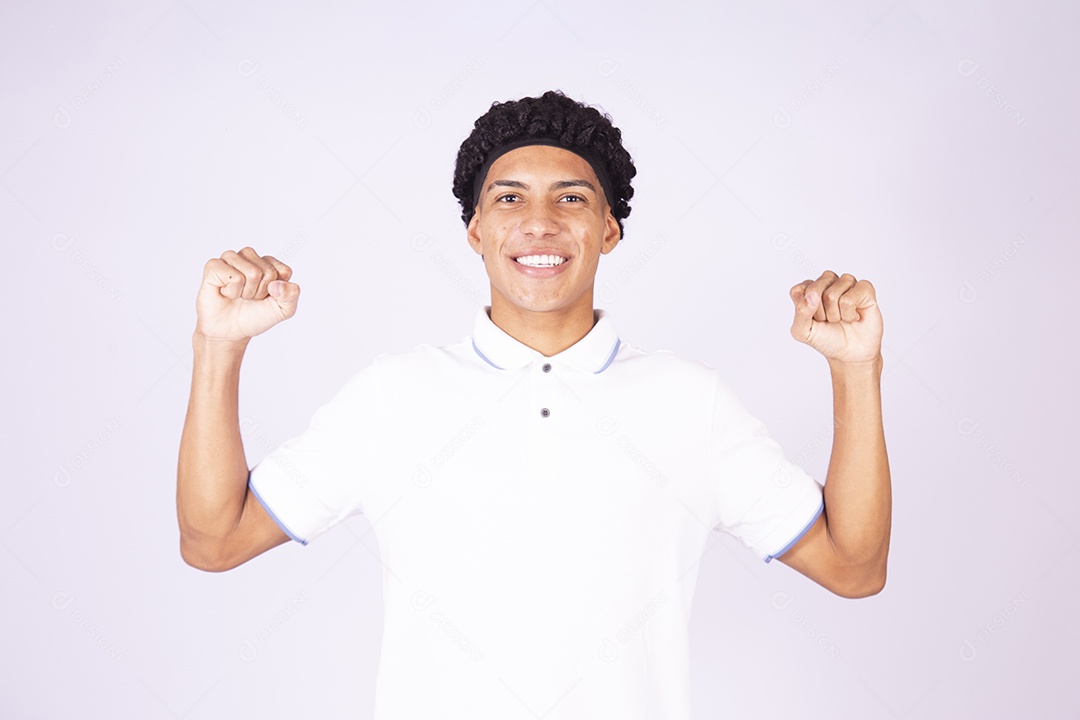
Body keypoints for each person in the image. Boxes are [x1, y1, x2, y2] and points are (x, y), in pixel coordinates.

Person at [177, 90, 890, 719]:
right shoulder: (394, 398)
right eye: (509, 197)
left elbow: (854, 567)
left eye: (572, 197)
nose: (540, 221)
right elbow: (214, 541)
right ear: (476, 231)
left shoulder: (687, 403)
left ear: (609, 230)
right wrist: (218, 346)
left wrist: (856, 369)